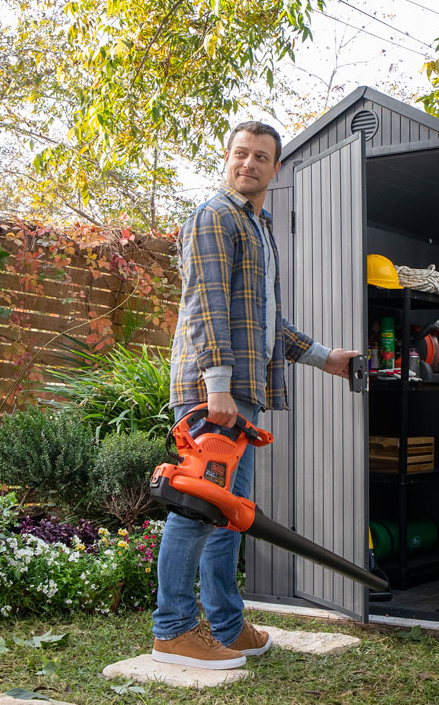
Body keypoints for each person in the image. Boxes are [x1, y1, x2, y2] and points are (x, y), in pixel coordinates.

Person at [151, 120, 359, 670]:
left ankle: (224, 624)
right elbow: (206, 307)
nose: (249, 164)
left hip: (241, 392)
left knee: (230, 514)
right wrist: (217, 386)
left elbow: (265, 321)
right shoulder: (215, 217)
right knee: (196, 508)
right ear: (227, 158)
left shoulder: (258, 226)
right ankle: (172, 629)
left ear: (276, 167)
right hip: (212, 391)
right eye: (240, 154)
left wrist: (325, 357)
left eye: (260, 156)